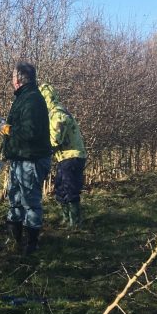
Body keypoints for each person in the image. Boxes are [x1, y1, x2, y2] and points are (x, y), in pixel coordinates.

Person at [0, 62, 52, 255]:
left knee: (30, 203)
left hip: (31, 160)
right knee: (16, 200)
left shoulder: (32, 100)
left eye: (13, 76)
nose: (11, 80)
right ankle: (14, 242)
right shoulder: (25, 98)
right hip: (21, 159)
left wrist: (6, 129)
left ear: (19, 79)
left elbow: (30, 132)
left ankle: (30, 247)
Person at [39, 83, 87, 229]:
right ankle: (66, 219)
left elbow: (55, 140)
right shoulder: (54, 113)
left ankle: (75, 223)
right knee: (60, 188)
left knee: (69, 188)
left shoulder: (58, 114)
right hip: (65, 157)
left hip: (72, 157)